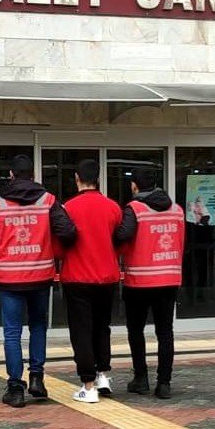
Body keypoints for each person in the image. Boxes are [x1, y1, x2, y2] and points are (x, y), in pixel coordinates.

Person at [0, 154, 76, 408]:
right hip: (41, 276)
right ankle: (37, 379)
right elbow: (68, 231)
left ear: (11, 175)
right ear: (33, 175)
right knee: (38, 326)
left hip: (9, 279)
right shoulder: (47, 201)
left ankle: (15, 388)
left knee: (12, 333)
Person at [115, 167, 185, 399]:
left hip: (139, 281)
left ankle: (141, 378)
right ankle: (164, 383)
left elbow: (123, 238)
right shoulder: (176, 210)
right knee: (165, 332)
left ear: (134, 186)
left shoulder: (134, 209)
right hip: (169, 279)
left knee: (136, 330)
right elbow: (181, 242)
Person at [60, 159, 122, 403]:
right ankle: (103, 374)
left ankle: (88, 386)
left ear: (77, 178)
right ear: (98, 179)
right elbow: (121, 239)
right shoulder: (113, 208)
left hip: (77, 277)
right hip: (107, 276)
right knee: (102, 327)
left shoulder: (68, 208)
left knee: (81, 331)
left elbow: (60, 243)